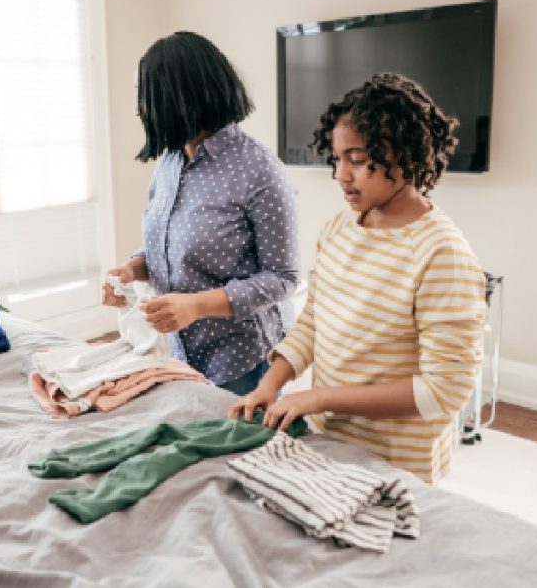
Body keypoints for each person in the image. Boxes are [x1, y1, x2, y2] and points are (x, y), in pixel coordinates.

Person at [228, 72, 487, 484]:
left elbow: (445, 391)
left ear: (406, 155)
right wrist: (270, 384)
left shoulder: (442, 254)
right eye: (338, 159)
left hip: (396, 465)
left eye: (359, 160)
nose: (341, 175)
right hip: (327, 444)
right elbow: (313, 324)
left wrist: (320, 398)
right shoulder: (338, 229)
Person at [103, 31, 300, 395]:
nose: (138, 108)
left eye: (143, 95)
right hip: (179, 352)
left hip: (243, 360)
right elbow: (168, 242)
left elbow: (283, 278)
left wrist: (197, 306)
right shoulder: (170, 162)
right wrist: (132, 270)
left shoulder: (259, 170)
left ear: (178, 96)